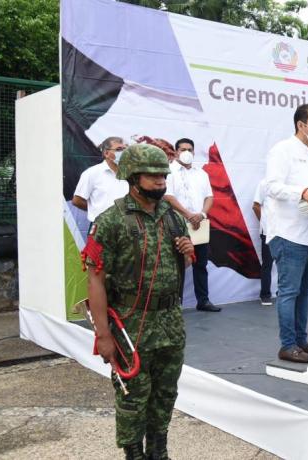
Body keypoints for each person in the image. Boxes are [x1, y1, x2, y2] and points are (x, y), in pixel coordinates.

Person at [81, 144, 194, 460]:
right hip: (131, 324)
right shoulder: (110, 221)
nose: (161, 182)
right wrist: (103, 336)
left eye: (163, 176)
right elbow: (95, 280)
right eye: (153, 176)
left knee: (165, 393)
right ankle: (134, 454)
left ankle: (159, 451)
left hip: (170, 324)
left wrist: (186, 253)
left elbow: (179, 266)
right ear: (132, 177)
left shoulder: (173, 218)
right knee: (132, 397)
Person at [265, 103, 308, 363]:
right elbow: (271, 186)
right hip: (288, 233)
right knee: (289, 291)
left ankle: (301, 341)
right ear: (301, 125)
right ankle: (287, 344)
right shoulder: (283, 150)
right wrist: (301, 191)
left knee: (305, 291)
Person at [164, 137, 218, 312]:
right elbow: (168, 197)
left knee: (200, 264)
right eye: (182, 149)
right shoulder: (168, 171)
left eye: (190, 149)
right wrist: (188, 215)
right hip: (176, 224)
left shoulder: (201, 173)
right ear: (175, 151)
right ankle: (175, 304)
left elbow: (209, 197)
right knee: (177, 265)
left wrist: (201, 214)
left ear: (194, 152)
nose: (186, 152)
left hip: (199, 224)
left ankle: (203, 300)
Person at [72, 136, 130, 232]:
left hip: (127, 228)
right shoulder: (92, 173)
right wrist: (97, 210)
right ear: (106, 153)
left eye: (125, 149)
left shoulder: (132, 173)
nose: (123, 153)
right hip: (101, 228)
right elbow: (77, 200)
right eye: (119, 149)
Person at [252, 181, 274, 306]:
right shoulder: (263, 184)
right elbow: (255, 206)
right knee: (267, 264)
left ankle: (283, 293)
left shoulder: (288, 183)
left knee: (285, 264)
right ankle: (265, 295)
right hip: (268, 232)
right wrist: (264, 222)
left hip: (286, 231)